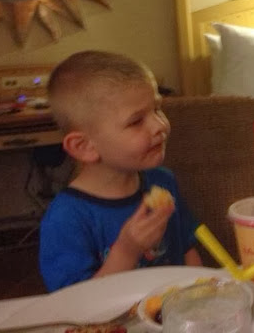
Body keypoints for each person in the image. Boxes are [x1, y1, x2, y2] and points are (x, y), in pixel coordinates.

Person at [39, 50, 202, 292]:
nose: (160, 125)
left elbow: (187, 248)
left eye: (157, 109)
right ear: (85, 147)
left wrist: (202, 293)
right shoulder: (66, 217)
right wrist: (126, 252)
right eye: (136, 121)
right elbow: (74, 303)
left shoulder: (162, 181)